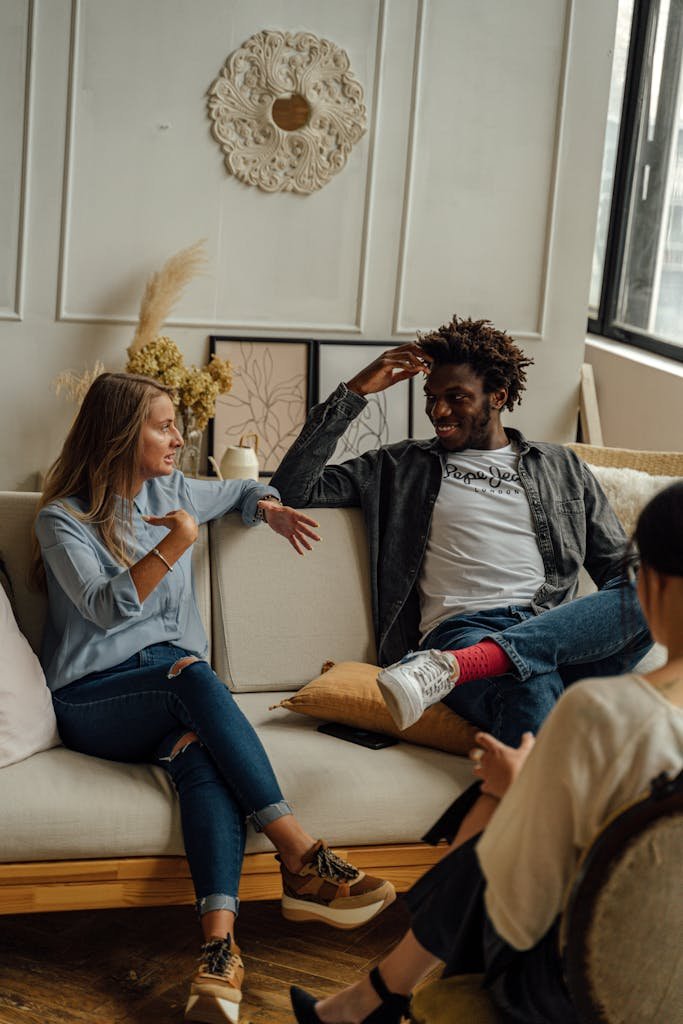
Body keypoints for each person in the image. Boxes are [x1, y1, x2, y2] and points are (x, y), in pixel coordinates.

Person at [31, 372, 395, 1024]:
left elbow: (245, 488)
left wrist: (269, 508)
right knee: (194, 674)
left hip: (175, 695)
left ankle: (218, 956)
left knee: (201, 757)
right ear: (120, 434)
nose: (179, 437)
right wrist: (176, 542)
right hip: (94, 701)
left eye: (176, 424)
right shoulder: (63, 519)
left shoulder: (176, 491)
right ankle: (302, 856)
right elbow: (106, 608)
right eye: (163, 425)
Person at [289, 480, 683, 1024]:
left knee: (498, 811)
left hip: (577, 989)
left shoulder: (601, 712)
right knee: (525, 730)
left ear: (653, 587)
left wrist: (513, 793)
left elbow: (520, 914)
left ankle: (373, 997)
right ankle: (369, 1000)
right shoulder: (407, 467)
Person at [271, 315, 652, 839]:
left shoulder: (561, 467)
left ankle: (455, 670)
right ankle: (533, 873)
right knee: (529, 675)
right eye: (432, 397)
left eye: (456, 398)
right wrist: (355, 392)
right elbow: (293, 489)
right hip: (466, 630)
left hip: (549, 636)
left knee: (658, 588)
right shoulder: (400, 466)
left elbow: (623, 573)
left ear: (497, 395)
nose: (437, 411)